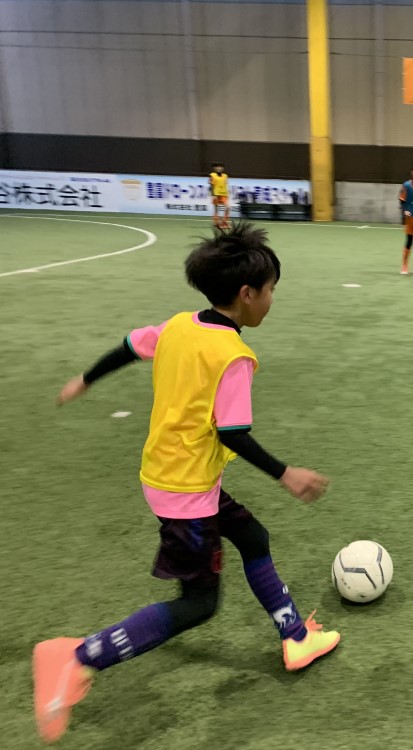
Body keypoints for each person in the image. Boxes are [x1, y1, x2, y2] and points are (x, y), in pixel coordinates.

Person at [33, 224, 338, 745]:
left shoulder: (179, 326)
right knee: (199, 603)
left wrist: (85, 379)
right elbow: (232, 432)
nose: (272, 300)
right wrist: (286, 473)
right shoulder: (234, 356)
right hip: (187, 491)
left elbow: (130, 346)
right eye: (271, 291)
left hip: (176, 475)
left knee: (254, 538)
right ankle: (78, 656)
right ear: (247, 294)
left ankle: (294, 636)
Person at [209, 162, 231, 230]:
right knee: (216, 209)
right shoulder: (212, 175)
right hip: (216, 194)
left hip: (224, 194)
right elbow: (211, 186)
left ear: (223, 168)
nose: (219, 168)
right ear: (214, 168)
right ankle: (216, 223)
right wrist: (213, 195)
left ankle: (224, 222)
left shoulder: (225, 176)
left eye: (220, 167)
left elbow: (225, 185)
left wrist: (227, 192)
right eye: (217, 167)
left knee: (228, 207)